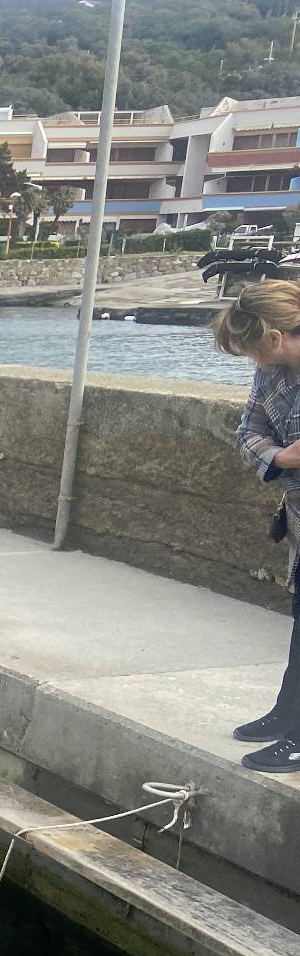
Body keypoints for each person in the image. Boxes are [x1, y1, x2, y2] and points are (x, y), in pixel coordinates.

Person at [214, 279, 300, 773]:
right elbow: (249, 430)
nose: (250, 361)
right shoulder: (273, 374)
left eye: (249, 349)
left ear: (272, 337)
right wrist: (279, 456)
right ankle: (288, 714)